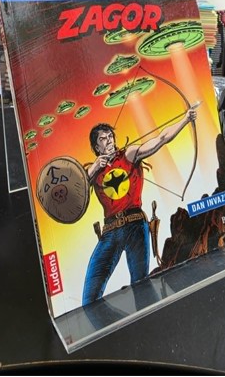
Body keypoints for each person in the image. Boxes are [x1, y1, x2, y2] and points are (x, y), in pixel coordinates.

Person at [82, 107, 198, 305]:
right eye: (103, 139)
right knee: (89, 299)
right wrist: (94, 168)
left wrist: (186, 119)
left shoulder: (129, 154)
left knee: (141, 287)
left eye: (110, 136)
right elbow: (76, 197)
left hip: (135, 225)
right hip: (110, 232)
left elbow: (161, 139)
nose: (109, 141)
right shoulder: (91, 172)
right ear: (96, 147)